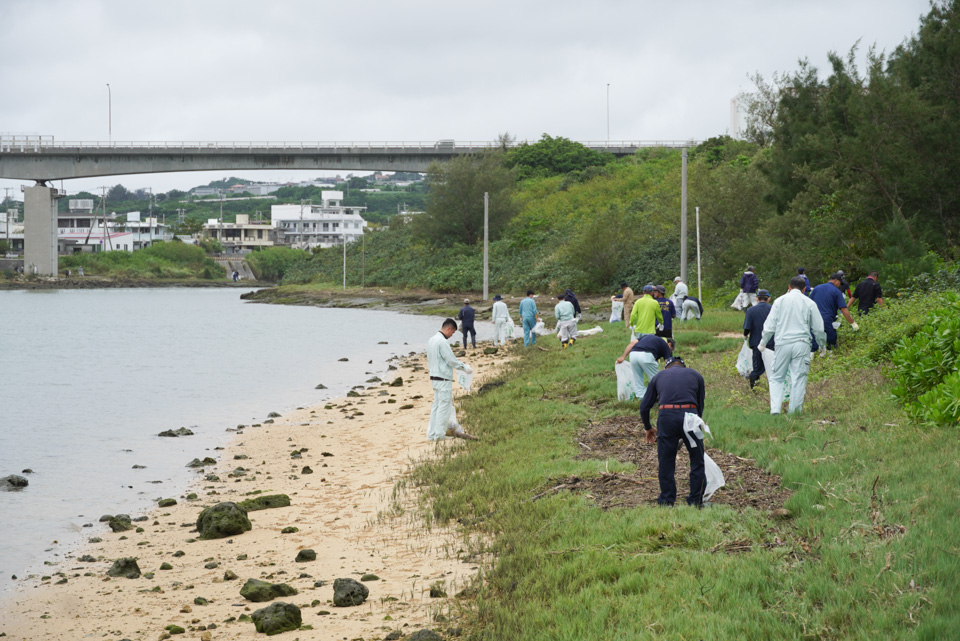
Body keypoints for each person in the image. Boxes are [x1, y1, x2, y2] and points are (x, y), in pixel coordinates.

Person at [640, 356, 707, 507]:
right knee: (697, 460)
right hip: (691, 416)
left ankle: (667, 500)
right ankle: (695, 501)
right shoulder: (696, 375)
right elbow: (700, 405)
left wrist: (648, 427)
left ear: (666, 367)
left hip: (667, 417)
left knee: (666, 461)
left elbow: (644, 407)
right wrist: (694, 427)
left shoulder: (658, 376)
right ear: (684, 366)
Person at [759, 276, 827, 415]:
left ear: (789, 287)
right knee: (798, 378)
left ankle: (775, 410)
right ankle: (794, 412)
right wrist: (822, 345)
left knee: (777, 377)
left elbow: (770, 325)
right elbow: (819, 329)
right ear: (804, 289)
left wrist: (763, 342)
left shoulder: (779, 301)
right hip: (801, 344)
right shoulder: (809, 302)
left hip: (782, 343)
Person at [426, 319, 478, 441]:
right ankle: (438, 435)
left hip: (434, 377)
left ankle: (432, 434)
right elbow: (451, 360)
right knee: (443, 407)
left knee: (436, 406)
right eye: (453, 332)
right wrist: (464, 368)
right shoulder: (442, 342)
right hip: (443, 378)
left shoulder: (431, 340)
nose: (452, 335)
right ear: (448, 329)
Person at [809, 273, 859, 350]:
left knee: (814, 340)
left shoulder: (817, 288)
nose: (840, 285)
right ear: (836, 280)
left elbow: (808, 303)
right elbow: (843, 309)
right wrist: (852, 323)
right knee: (831, 341)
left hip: (814, 319)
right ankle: (830, 356)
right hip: (827, 319)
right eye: (840, 283)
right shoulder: (836, 291)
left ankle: (813, 358)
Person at [616, 334, 674, 400]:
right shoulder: (666, 345)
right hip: (647, 355)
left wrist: (623, 356)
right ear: (669, 344)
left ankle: (642, 397)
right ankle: (661, 397)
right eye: (671, 350)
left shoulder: (647, 336)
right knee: (656, 379)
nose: (670, 352)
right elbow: (668, 364)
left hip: (633, 354)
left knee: (638, 379)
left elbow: (632, 343)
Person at [743, 289, 775, 389]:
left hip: (756, 342)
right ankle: (774, 388)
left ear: (757, 299)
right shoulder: (774, 309)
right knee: (773, 366)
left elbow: (747, 327)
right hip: (772, 342)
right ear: (768, 298)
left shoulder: (751, 310)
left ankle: (754, 389)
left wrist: (745, 335)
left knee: (757, 368)